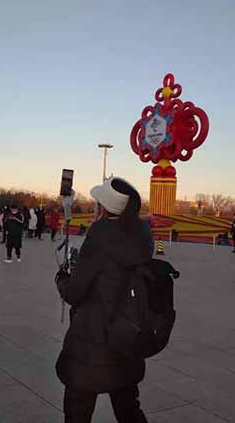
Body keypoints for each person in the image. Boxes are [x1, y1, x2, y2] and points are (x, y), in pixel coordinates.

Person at [55, 177, 151, 423]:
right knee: (129, 411)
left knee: (77, 412)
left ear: (104, 208)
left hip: (92, 342)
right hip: (127, 338)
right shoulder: (141, 234)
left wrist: (62, 279)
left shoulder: (99, 236)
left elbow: (74, 293)